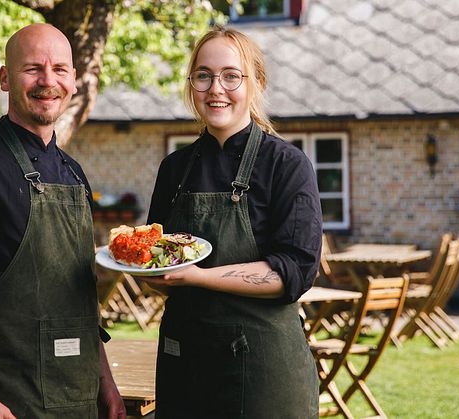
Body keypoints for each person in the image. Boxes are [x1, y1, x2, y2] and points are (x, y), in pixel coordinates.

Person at [0, 24, 125, 419]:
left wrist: (106, 385)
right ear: (4, 78)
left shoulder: (74, 173)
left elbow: (78, 298)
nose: (48, 81)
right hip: (10, 401)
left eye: (60, 70)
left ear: (74, 82)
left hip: (81, 399)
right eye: (33, 68)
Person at [143, 26, 322, 418]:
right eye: (203, 75)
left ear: (256, 82)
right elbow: (155, 257)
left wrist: (198, 277)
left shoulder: (286, 165)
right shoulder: (174, 168)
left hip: (262, 371)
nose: (215, 88)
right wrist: (145, 270)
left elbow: (295, 272)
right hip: (184, 363)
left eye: (230, 75)